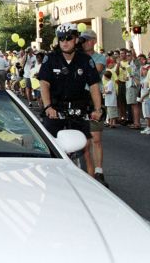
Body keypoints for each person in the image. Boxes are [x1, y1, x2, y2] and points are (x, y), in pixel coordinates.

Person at [38, 23, 103, 178]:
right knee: (51, 147)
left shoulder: (85, 60)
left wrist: (97, 109)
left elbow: (94, 85)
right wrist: (48, 107)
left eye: (68, 38)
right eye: (61, 39)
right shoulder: (51, 59)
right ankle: (52, 178)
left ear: (75, 40)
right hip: (56, 108)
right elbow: (44, 84)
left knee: (85, 146)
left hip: (79, 108)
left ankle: (91, 182)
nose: (64, 42)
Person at [80, 29, 108, 185]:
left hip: (93, 99)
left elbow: (94, 71)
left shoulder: (99, 57)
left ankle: (99, 171)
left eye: (87, 40)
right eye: (82, 40)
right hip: (79, 99)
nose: (84, 43)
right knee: (84, 141)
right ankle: (87, 173)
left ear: (94, 41)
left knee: (96, 138)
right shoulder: (77, 57)